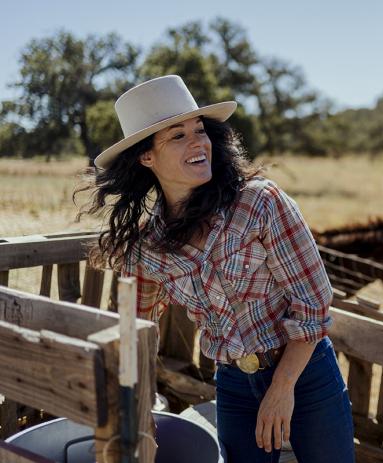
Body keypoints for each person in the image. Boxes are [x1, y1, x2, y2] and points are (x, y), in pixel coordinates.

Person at [78, 75, 355, 463]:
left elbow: (314, 304)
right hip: (234, 385)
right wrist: (137, 410)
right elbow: (132, 330)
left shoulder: (260, 204)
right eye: (177, 136)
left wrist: (282, 388)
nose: (198, 141)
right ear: (146, 156)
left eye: (199, 130)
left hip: (306, 374)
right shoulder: (147, 249)